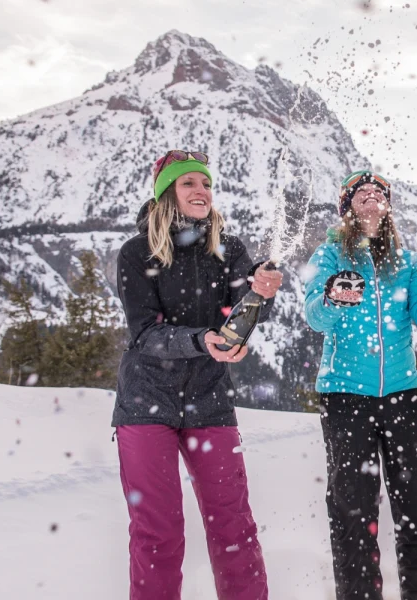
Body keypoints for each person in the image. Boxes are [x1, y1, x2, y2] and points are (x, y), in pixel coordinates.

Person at [112, 149, 283, 600]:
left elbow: (245, 308)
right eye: (188, 183)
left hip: (209, 399)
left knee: (234, 525)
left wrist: (262, 293)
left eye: (205, 184)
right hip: (146, 402)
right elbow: (145, 332)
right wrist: (201, 339)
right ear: (166, 192)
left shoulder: (225, 248)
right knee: (158, 530)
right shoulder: (136, 253)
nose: (201, 191)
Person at [304, 170, 417, 600]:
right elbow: (314, 316)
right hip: (345, 399)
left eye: (378, 193)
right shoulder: (330, 256)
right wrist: (332, 297)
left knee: (416, 510)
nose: (371, 198)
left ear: (387, 207)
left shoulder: (405, 259)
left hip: (402, 398)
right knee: (352, 515)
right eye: (361, 194)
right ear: (347, 208)